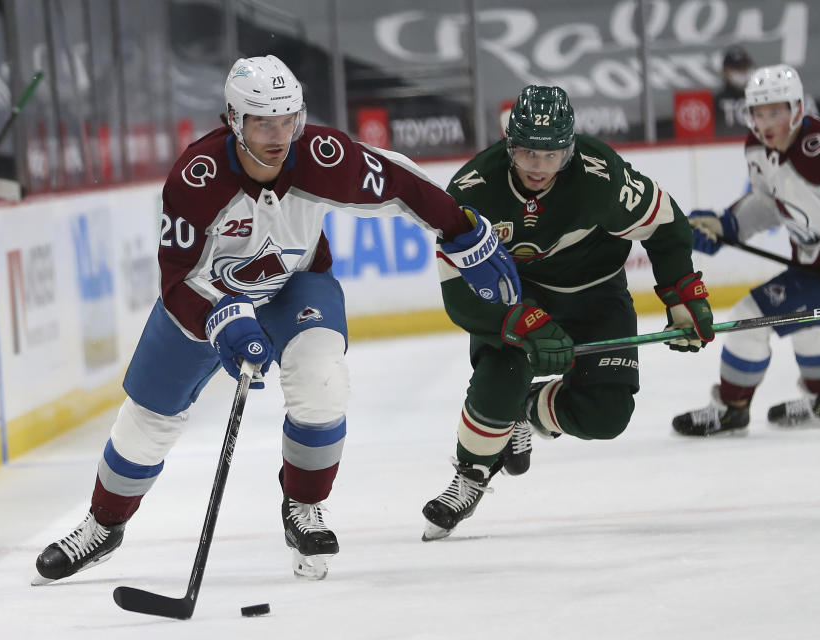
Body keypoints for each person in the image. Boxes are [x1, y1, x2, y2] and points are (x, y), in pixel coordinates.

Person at [33, 54, 519, 583]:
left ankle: (302, 508)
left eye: (288, 119)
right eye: (263, 122)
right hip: (209, 297)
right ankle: (104, 526)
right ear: (233, 120)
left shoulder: (322, 157)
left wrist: (461, 229)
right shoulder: (196, 179)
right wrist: (221, 318)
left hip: (296, 286)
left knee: (322, 378)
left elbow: (399, 181)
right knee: (147, 419)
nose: (278, 134)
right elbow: (176, 280)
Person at [421, 85, 714, 541]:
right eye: (527, 152)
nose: (538, 166)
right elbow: (460, 292)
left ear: (570, 149)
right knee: (504, 372)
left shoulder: (601, 177)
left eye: (552, 154)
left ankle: (530, 412)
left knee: (607, 415)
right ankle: (473, 473)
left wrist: (682, 298)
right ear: (509, 144)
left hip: (598, 294)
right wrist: (520, 320)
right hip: (521, 296)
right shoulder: (472, 191)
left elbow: (665, 224)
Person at [672, 64, 820, 437]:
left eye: (775, 111)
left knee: (748, 320)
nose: (765, 122)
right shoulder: (757, 147)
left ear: (796, 109)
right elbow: (767, 203)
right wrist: (726, 225)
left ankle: (731, 410)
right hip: (810, 265)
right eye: (758, 112)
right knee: (808, 326)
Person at [714, 46, 754, 137]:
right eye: (738, 68)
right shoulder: (716, 101)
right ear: (725, 71)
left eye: (745, 67)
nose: (743, 72)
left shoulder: (758, 98)